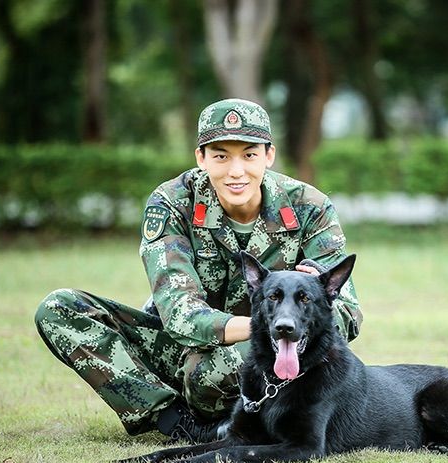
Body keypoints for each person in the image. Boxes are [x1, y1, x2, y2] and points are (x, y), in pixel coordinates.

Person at [34, 98, 362, 443]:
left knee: (212, 371)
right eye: (221, 156)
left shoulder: (309, 207)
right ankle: (174, 421)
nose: (236, 171)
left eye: (249, 155)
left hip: (267, 356)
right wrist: (259, 326)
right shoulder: (172, 202)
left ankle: (247, 419)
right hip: (179, 347)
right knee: (58, 309)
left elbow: (345, 312)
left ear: (269, 155)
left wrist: (283, 328)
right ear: (200, 158)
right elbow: (178, 312)